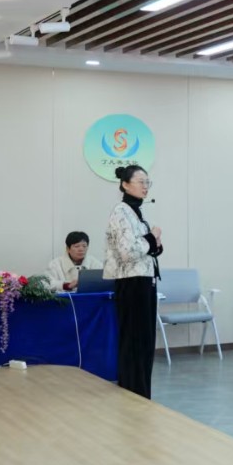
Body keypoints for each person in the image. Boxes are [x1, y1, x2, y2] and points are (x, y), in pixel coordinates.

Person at [104, 164, 163, 399]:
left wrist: (155, 243)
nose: (145, 187)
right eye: (141, 182)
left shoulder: (136, 211)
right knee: (135, 341)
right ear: (125, 185)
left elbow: (143, 248)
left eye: (148, 182)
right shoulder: (121, 211)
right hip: (131, 283)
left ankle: (141, 393)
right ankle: (133, 393)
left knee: (145, 341)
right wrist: (152, 237)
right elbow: (128, 251)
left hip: (144, 280)